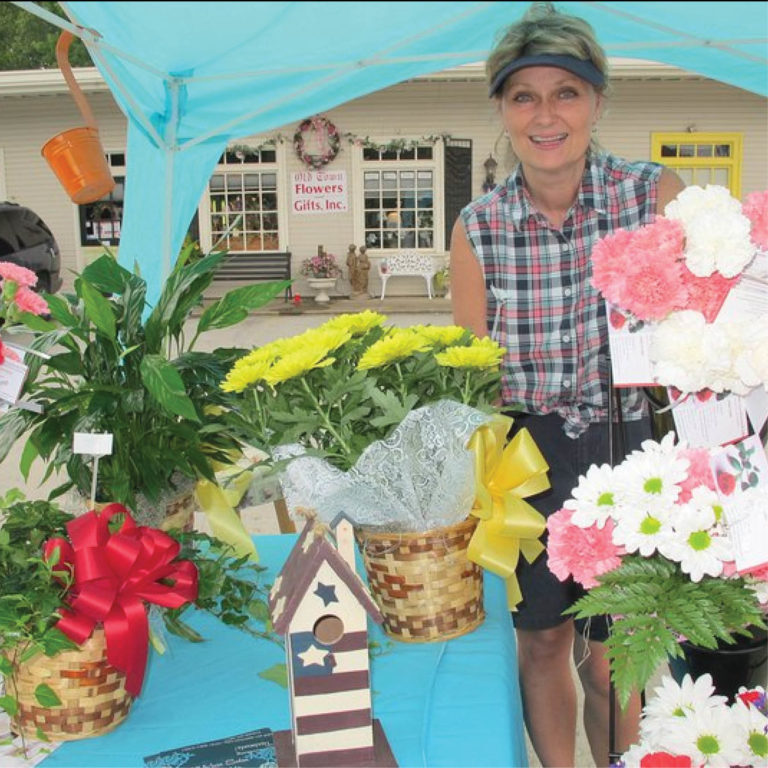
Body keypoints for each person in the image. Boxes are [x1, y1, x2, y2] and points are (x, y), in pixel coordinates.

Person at [450, 3, 685, 767]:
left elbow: (696, 342)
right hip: (526, 455)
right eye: (524, 96)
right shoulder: (478, 227)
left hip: (630, 443)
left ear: (598, 100)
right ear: (501, 110)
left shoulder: (651, 197)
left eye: (566, 92)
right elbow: (469, 379)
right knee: (545, 638)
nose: (545, 115)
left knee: (615, 646)